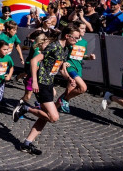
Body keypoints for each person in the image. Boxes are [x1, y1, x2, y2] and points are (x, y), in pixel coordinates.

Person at [12, 25, 79, 155]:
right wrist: (35, 81)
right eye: (75, 38)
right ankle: (25, 108)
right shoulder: (54, 46)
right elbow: (34, 60)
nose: (77, 40)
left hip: (49, 83)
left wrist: (69, 78)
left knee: (44, 117)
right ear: (67, 36)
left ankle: (26, 144)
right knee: (53, 117)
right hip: (42, 83)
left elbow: (61, 69)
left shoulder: (65, 49)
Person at [58, 22, 96, 113]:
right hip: (70, 67)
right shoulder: (70, 40)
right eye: (82, 28)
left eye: (85, 29)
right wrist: (64, 62)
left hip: (78, 67)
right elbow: (62, 52)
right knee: (83, 87)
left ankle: (52, 106)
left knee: (68, 91)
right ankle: (64, 100)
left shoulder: (84, 42)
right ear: (76, 30)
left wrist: (89, 57)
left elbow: (82, 56)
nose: (84, 30)